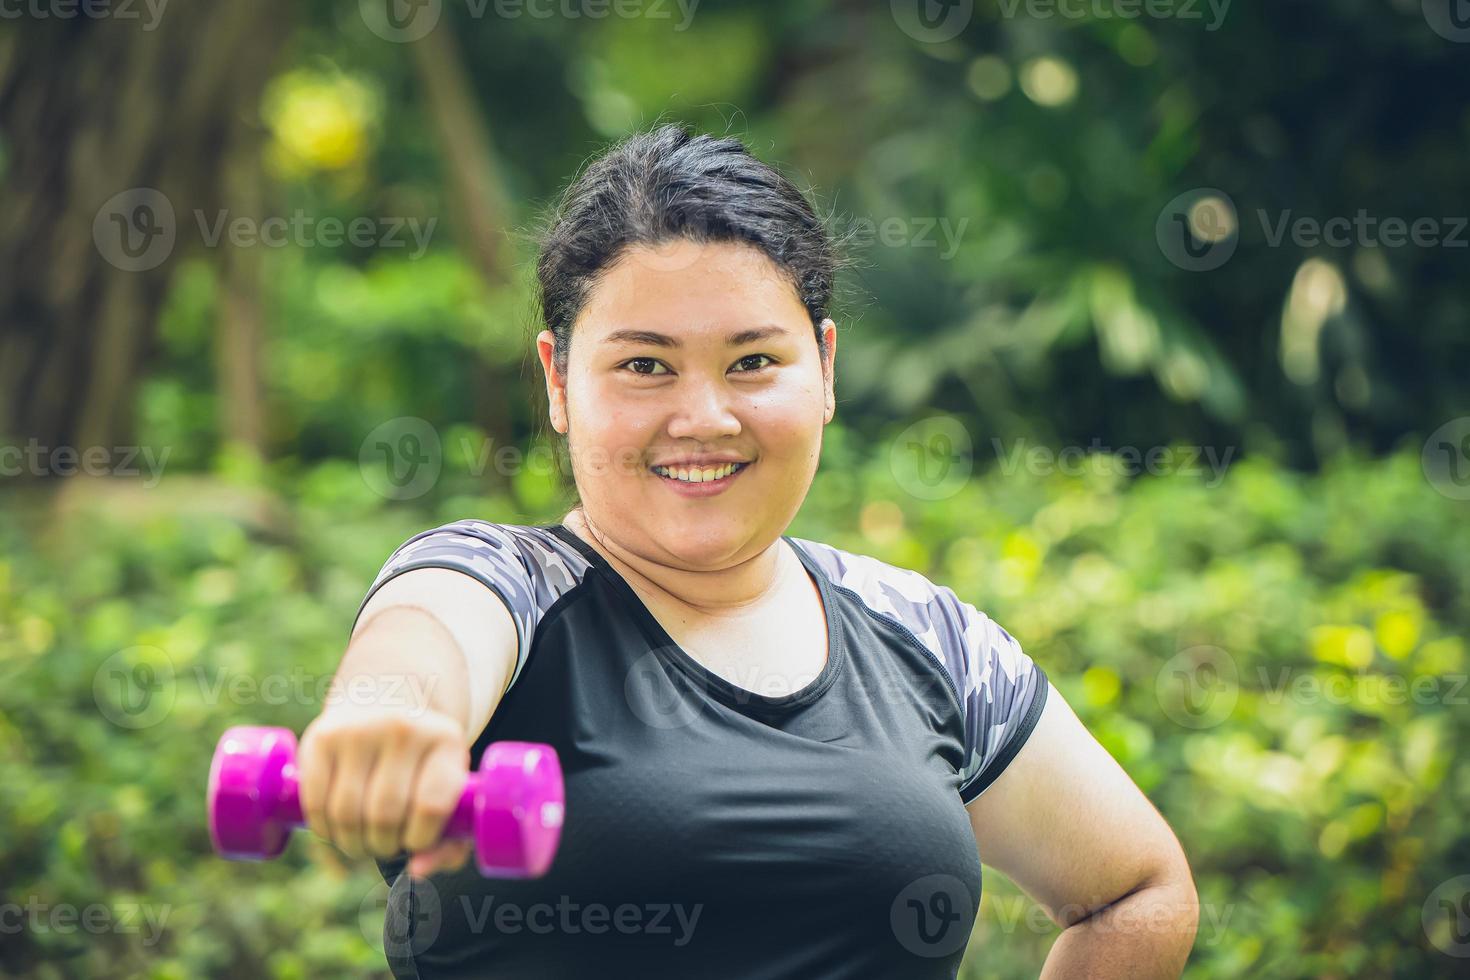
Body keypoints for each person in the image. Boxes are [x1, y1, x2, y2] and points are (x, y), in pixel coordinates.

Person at [297, 122, 1199, 978]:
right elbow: (425, 639)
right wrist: (391, 720)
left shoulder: (925, 635)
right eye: (645, 365)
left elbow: (1137, 892)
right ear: (558, 381)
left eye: (753, 362)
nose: (704, 418)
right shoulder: (507, 583)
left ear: (826, 370)